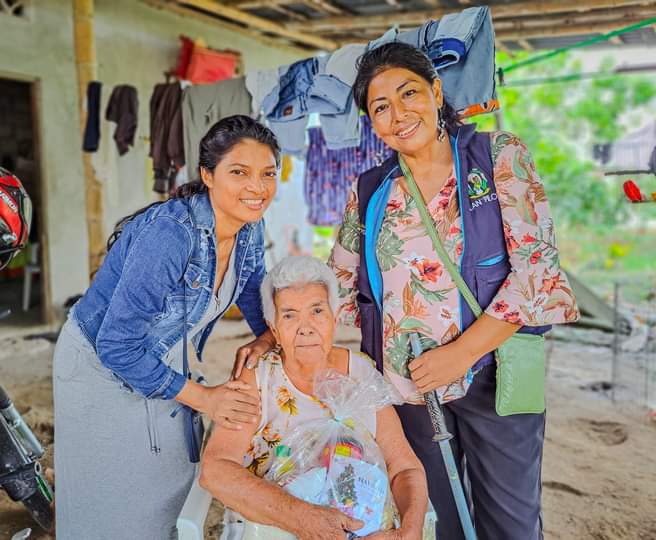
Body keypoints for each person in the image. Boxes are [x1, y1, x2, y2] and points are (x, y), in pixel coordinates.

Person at [329, 42, 579, 540]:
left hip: (497, 376)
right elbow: (335, 283)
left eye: (409, 94)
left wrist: (460, 355)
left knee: (511, 524)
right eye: (381, 107)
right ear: (372, 123)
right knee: (436, 521)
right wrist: (276, 332)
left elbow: (536, 269)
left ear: (437, 92)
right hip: (409, 387)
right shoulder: (370, 189)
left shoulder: (497, 156)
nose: (399, 115)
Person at [53, 115, 281, 539]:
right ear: (207, 175)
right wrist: (206, 398)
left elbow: (255, 292)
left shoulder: (250, 228)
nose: (258, 187)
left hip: (157, 353)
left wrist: (268, 338)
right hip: (99, 363)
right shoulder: (171, 235)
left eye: (268, 173)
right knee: (113, 497)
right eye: (239, 172)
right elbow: (117, 345)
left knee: (168, 479)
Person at [201, 256, 429, 540]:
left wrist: (410, 530)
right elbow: (215, 470)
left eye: (317, 311)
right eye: (289, 315)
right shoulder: (257, 377)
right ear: (274, 329)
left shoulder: (361, 373)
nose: (305, 327)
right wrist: (304, 519)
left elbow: (404, 467)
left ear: (334, 317)